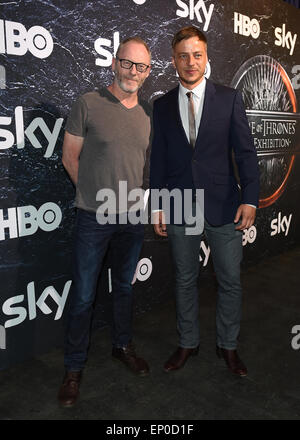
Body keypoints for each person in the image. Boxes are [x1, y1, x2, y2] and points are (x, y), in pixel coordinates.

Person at [150, 26, 259, 376]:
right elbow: (159, 161)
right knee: (184, 279)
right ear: (174, 60)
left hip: (225, 204)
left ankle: (228, 346)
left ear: (206, 57)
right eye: (183, 55)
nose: (190, 62)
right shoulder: (162, 105)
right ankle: (188, 342)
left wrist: (251, 199)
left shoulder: (228, 98)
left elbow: (245, 153)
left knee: (229, 280)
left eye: (197, 55)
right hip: (180, 206)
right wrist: (158, 205)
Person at [58, 36, 152, 407]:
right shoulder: (88, 103)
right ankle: (73, 368)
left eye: (141, 67)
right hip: (94, 218)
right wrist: (94, 198)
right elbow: (69, 157)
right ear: (115, 63)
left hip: (132, 218)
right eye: (127, 63)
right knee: (83, 296)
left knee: (125, 289)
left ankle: (122, 345)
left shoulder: (147, 114)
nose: (133, 71)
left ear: (148, 72)